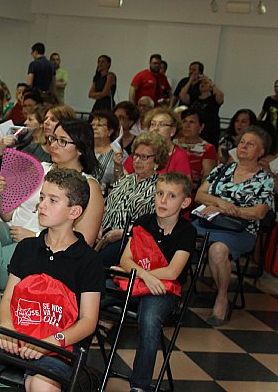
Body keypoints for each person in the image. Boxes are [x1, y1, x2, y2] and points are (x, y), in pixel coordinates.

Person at [0, 168, 105, 392]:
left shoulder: (88, 260)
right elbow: (8, 299)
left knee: (41, 385)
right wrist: (7, 327)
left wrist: (52, 342)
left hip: (56, 343)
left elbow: (88, 321)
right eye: (42, 197)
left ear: (74, 211)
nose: (42, 205)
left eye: (53, 200)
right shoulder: (27, 248)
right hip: (16, 332)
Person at [0, 119, 104, 321]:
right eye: (52, 139)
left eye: (62, 141)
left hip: (40, 246)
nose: (53, 145)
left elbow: (84, 240)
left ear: (80, 148)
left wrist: (37, 236)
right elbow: (7, 214)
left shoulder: (88, 186)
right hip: (9, 230)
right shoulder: (39, 168)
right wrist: (1, 193)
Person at [109, 172, 196, 391]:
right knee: (91, 294)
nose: (163, 200)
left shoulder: (187, 231)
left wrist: (137, 273)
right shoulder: (144, 222)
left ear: (185, 202)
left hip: (163, 291)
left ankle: (139, 385)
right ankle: (74, 364)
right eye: (159, 193)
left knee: (149, 319)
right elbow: (125, 259)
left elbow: (172, 272)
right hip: (136, 283)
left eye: (172, 196)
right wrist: (145, 276)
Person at [194, 126, 275, 326]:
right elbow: (199, 195)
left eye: (250, 144)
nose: (243, 147)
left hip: (241, 230)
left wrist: (232, 210)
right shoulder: (222, 169)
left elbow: (259, 212)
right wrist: (220, 204)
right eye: (242, 142)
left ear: (261, 151)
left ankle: (222, 298)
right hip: (208, 221)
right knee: (175, 234)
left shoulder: (265, 179)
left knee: (218, 250)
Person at [99, 132, 169, 267]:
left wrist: (123, 233)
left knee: (96, 261)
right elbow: (108, 205)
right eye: (135, 155)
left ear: (157, 161)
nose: (137, 160)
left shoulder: (161, 187)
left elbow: (156, 223)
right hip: (104, 233)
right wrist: (98, 226)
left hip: (130, 239)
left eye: (144, 157)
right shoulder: (126, 180)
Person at [123, 107, 191, 178]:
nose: (155, 128)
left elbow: (184, 183)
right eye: (153, 124)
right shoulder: (141, 149)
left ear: (172, 131)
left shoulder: (180, 155)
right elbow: (124, 176)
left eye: (162, 125)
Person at [173, 108, 217, 198]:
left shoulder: (207, 148)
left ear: (201, 127)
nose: (187, 125)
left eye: (192, 122)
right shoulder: (173, 143)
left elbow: (207, 177)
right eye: (184, 121)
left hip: (191, 193)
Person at [89, 110, 125, 193]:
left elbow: (122, 181)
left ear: (110, 131)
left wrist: (118, 166)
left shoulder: (118, 151)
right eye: (92, 125)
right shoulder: (83, 149)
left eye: (99, 125)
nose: (94, 127)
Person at [182, 75, 224, 146]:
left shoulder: (213, 99)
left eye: (205, 83)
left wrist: (212, 84)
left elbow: (221, 95)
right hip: (195, 130)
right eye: (201, 83)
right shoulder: (194, 98)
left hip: (210, 131)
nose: (203, 84)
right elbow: (182, 94)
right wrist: (190, 81)